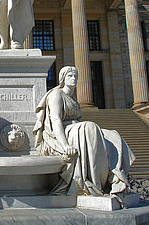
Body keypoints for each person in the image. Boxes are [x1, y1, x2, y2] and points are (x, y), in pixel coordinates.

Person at [33, 66, 135, 202]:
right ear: (62, 78)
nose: (73, 78)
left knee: (112, 135)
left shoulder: (73, 99)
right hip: (60, 134)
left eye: (75, 76)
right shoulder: (56, 95)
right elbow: (55, 120)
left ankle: (114, 177)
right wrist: (64, 145)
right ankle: (92, 182)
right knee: (89, 127)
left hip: (76, 130)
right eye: (70, 76)